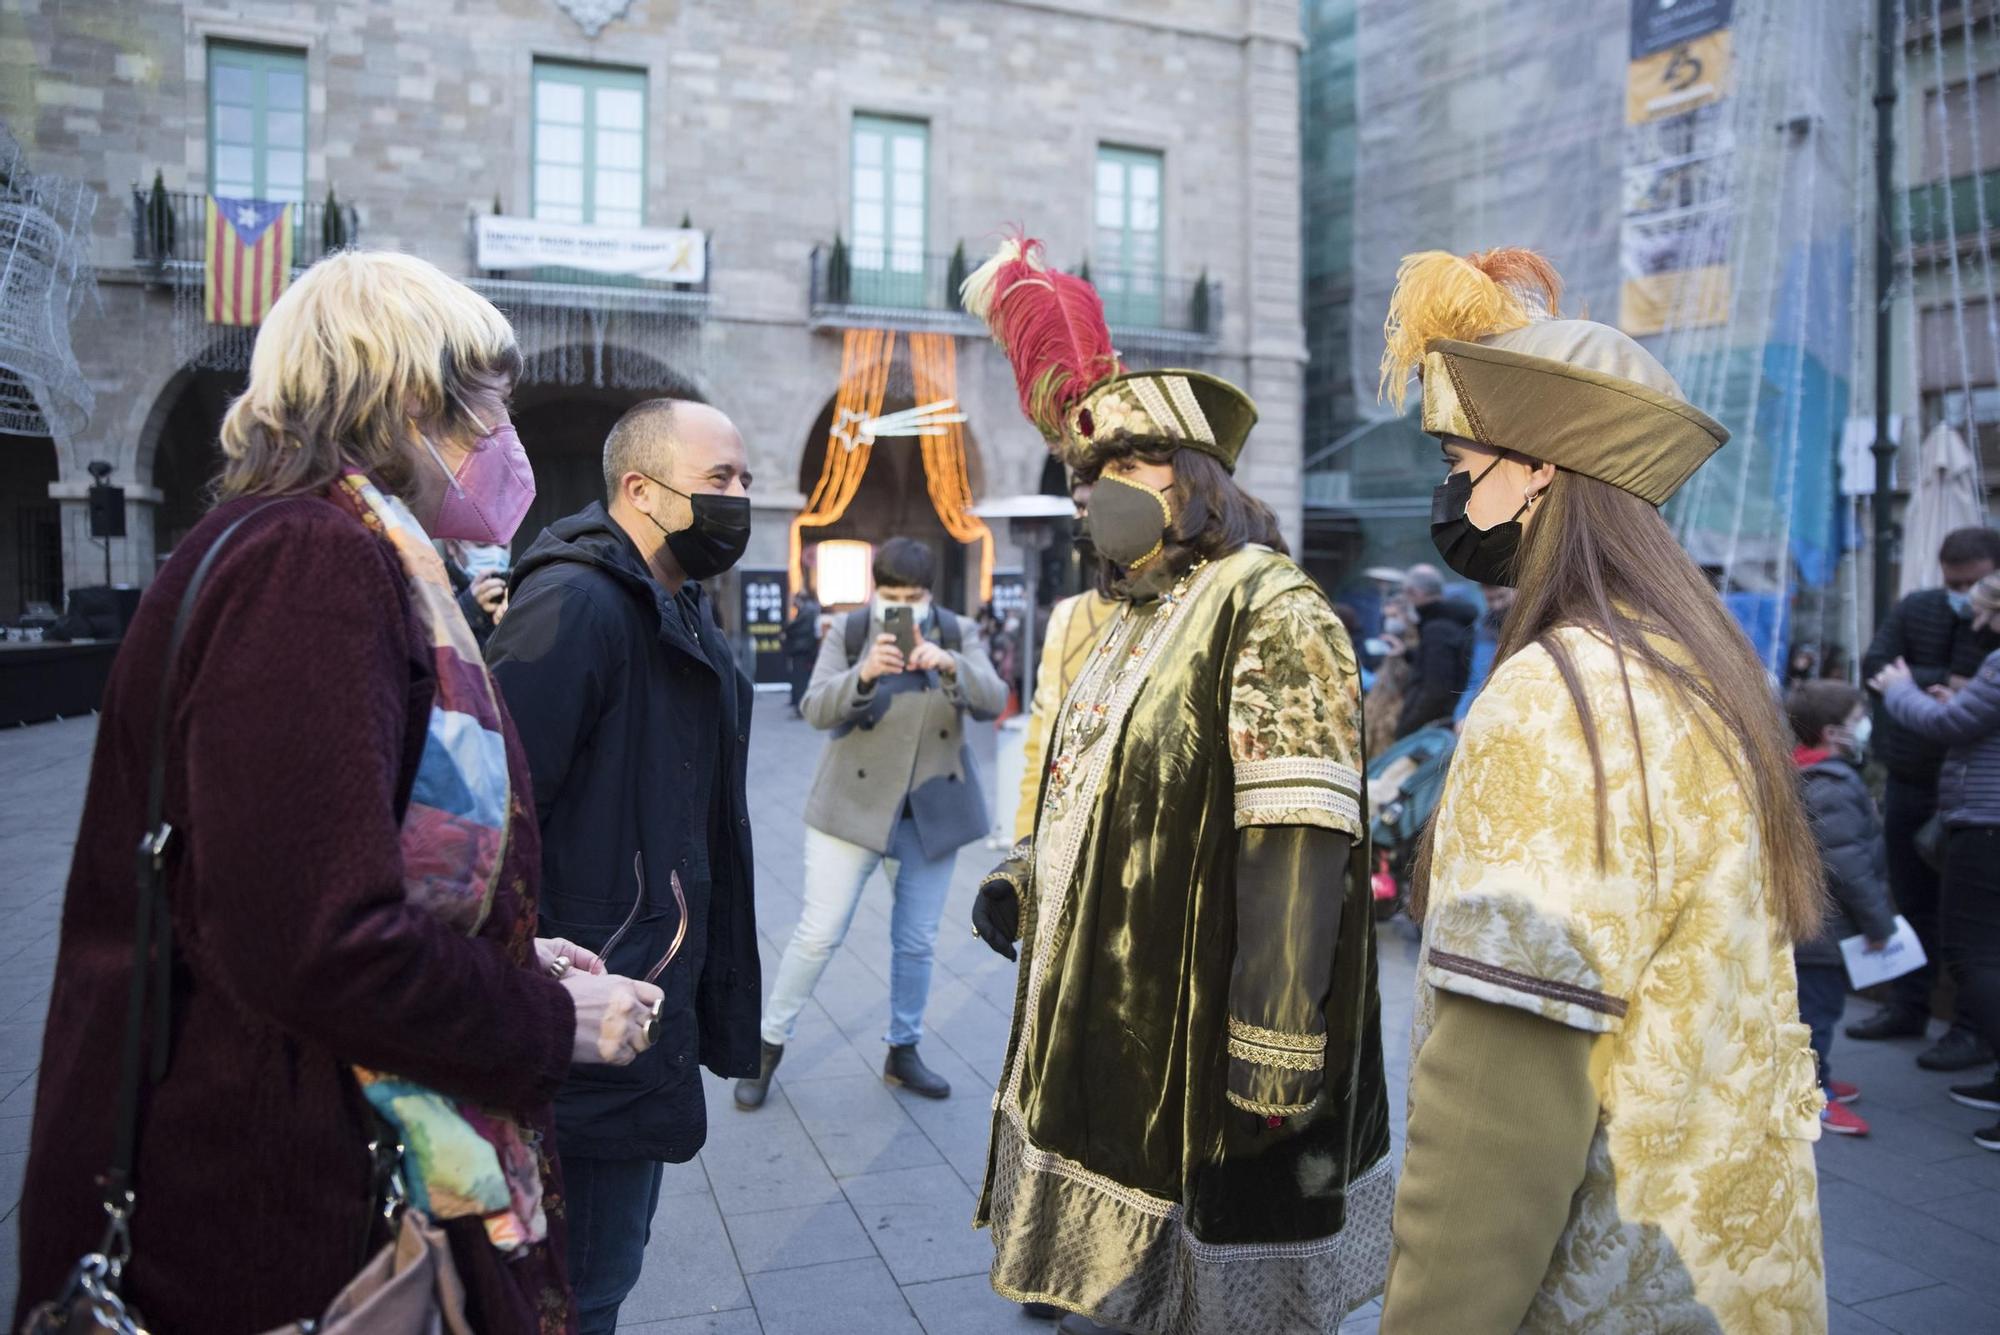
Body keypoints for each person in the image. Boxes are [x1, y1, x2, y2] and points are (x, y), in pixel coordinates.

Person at [14, 251, 664, 1335]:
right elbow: (311, 938)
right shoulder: (312, 564)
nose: (506, 441)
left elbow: (332, 859)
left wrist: (502, 947)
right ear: (416, 401)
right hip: (270, 1209)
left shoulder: (313, 545)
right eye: (493, 406)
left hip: (287, 1159)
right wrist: (545, 1017)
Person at [1374, 247, 1826, 1330]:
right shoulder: (1689, 662)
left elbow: (1497, 1114)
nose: (1447, 487)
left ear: (1534, 469)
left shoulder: (1553, 699)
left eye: (1457, 455)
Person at [961, 235, 1392, 1335]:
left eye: (1123, 467)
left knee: (1220, 1297)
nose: (1094, 494)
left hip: (1213, 1032)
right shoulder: (1127, 615)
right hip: (1112, 1009)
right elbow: (1093, 789)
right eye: (1082, 475)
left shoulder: (1268, 604)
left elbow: (1297, 831)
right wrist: (1025, 873)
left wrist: (1278, 1038)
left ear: (1193, 478)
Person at [484, 397, 762, 1335]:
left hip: (636, 1009)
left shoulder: (674, 604)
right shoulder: (576, 605)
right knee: (578, 1291)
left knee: (601, 1275)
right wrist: (537, 971)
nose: (739, 498)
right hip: (586, 1016)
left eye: (744, 480)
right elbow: (493, 823)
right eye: (719, 478)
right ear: (640, 489)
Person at [734, 537, 1006, 1109]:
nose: (902, 605)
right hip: (851, 808)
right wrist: (863, 675)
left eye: (912, 595)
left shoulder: (955, 631)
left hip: (931, 812)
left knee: (917, 941)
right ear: (874, 591)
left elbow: (992, 699)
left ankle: (902, 1049)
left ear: (930, 593)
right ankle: (767, 1045)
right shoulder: (852, 631)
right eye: (891, 594)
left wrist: (950, 664)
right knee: (819, 932)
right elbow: (814, 708)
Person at [1852, 525, 2000, 1071]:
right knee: (1912, 904)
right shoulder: (1919, 608)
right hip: (1913, 780)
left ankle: (1972, 1031)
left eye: (1974, 583)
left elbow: (1953, 704)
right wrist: (1944, 682)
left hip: (1970, 798)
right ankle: (1908, 1005)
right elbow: (1877, 668)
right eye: (1953, 582)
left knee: (1972, 930)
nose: (1964, 594)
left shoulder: (1993, 633)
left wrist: (1913, 684)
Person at [1787, 680, 1899, 1137]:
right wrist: (1880, 924)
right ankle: (1815, 1098)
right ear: (1833, 732)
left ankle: (1819, 1078)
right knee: (1818, 1016)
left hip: (1811, 925)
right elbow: (1849, 865)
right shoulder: (1832, 784)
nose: (1864, 728)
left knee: (1813, 1010)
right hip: (1824, 930)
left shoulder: (1805, 774)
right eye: (1857, 721)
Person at [1014, 479, 1117, 842]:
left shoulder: (1175, 609)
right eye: (1078, 507)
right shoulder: (1065, 615)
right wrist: (1025, 842)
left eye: (1092, 506)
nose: (1083, 519)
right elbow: (1040, 742)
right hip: (1057, 835)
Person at [1393, 564, 1475, 738]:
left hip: (1433, 729)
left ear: (1414, 592)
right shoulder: (1449, 623)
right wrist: (1408, 654)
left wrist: (1405, 730)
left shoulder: (1437, 630)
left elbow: (1436, 691)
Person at [1452, 583, 1514, 725]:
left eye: (1502, 597)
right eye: (1490, 600)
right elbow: (1478, 677)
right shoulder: (1486, 627)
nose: (1497, 605)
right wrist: (1460, 715)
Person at [441, 537, 509, 648]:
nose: (496, 555)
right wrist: (468, 607)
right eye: (482, 545)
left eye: (503, 546)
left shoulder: (519, 586)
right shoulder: (433, 585)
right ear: (452, 545)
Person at [784, 588, 823, 716]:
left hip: (803, 649)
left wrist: (786, 630)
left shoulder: (807, 610)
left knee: (801, 678)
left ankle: (801, 707)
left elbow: (796, 627)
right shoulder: (811, 609)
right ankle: (800, 705)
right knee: (801, 678)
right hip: (805, 649)